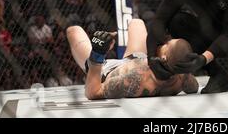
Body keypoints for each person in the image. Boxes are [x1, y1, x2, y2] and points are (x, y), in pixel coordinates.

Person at [66, 18, 198, 99]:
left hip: (108, 68)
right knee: (137, 22)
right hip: (138, 58)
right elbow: (193, 88)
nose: (165, 41)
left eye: (167, 44)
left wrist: (97, 54)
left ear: (164, 58)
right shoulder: (182, 76)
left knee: (73, 31)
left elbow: (93, 92)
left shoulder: (135, 78)